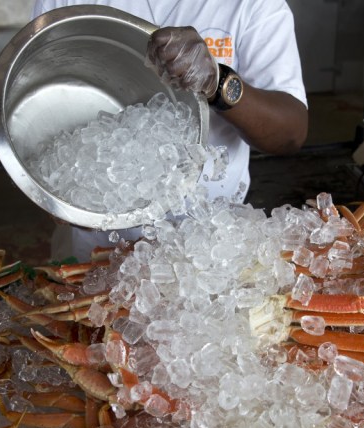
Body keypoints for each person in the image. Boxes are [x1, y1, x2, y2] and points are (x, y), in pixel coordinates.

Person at [33, 0, 309, 261]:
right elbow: (32, 101)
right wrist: (46, 186)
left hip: (211, 252)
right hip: (92, 246)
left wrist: (218, 82)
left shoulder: (254, 5)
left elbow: (290, 133)